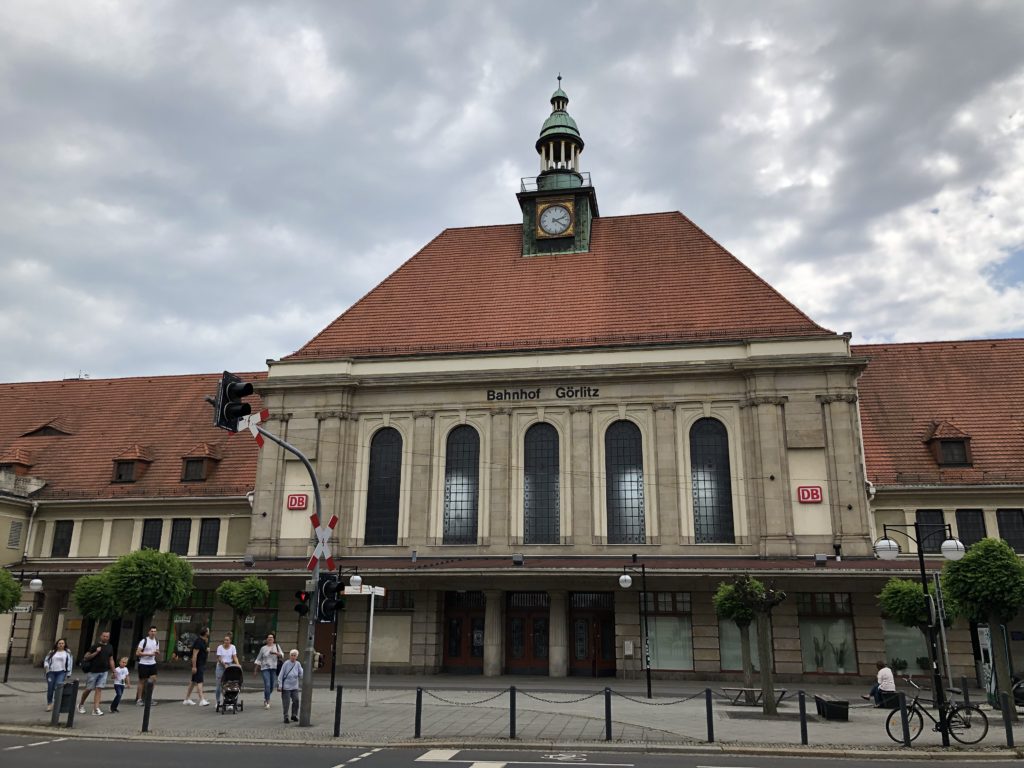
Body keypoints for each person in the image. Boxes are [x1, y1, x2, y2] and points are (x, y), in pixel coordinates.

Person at [78, 630, 115, 716]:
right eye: (104, 636)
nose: (105, 638)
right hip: (93, 671)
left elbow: (111, 659)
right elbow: (86, 657)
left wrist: (114, 671)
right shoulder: (95, 646)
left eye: (107, 637)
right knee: (89, 689)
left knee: (99, 689)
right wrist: (96, 652)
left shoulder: (110, 647)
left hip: (104, 671)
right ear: (101, 636)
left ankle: (96, 708)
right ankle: (81, 704)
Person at [254, 632, 284, 710]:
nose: (270, 639)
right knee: (267, 684)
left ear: (274, 639)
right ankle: (267, 701)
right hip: (265, 668)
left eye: (271, 638)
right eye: (268, 637)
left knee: (272, 686)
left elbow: (282, 655)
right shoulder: (263, 648)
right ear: (266, 639)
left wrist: (275, 653)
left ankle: (266, 696)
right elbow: (258, 659)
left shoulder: (277, 646)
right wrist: (256, 670)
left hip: (274, 668)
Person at [43, 638, 73, 712]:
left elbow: (70, 663)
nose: (61, 645)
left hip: (61, 672)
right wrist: (46, 667)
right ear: (57, 644)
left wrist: (69, 672)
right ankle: (49, 704)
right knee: (50, 688)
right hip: (51, 672)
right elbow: (46, 660)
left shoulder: (67, 653)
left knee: (58, 687)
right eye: (59, 643)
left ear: (64, 644)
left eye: (62, 643)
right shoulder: (52, 652)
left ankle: (57, 703)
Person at [183, 626, 211, 706]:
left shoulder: (204, 641)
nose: (209, 632)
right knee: (199, 681)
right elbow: (194, 655)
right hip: (198, 664)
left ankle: (187, 699)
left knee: (193, 681)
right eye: (208, 631)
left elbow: (204, 652)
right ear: (205, 633)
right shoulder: (198, 641)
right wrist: (194, 666)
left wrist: (207, 651)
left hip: (201, 663)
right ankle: (202, 699)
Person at [135, 625, 160, 705]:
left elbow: (157, 650)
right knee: (142, 681)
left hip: (152, 663)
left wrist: (157, 652)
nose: (153, 633)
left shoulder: (156, 641)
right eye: (152, 631)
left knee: (153, 680)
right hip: (143, 663)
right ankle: (139, 699)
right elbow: (137, 653)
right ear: (149, 632)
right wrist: (148, 654)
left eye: (154, 631)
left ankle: (149, 698)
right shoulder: (144, 641)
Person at [277, 649, 303, 724]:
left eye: (294, 655)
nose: (293, 657)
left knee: (296, 700)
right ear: (289, 656)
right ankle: (286, 717)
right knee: (286, 702)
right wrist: (280, 685)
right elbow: (281, 675)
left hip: (294, 687)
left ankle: (294, 715)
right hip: (286, 687)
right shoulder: (286, 664)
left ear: (296, 657)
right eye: (292, 655)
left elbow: (301, 673)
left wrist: (303, 673)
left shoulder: (298, 664)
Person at [214, 632, 239, 707]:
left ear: (230, 641)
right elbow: (219, 658)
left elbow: (234, 656)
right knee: (219, 685)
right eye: (225, 640)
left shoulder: (233, 647)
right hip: (221, 666)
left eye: (227, 640)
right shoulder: (220, 647)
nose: (226, 641)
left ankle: (229, 701)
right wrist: (224, 665)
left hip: (230, 666)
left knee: (229, 685)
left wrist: (238, 664)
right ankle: (218, 701)